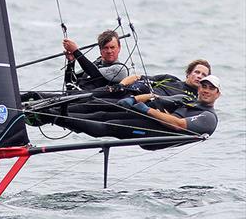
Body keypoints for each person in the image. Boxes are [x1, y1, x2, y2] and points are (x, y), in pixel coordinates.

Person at [52, 74, 221, 142]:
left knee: (110, 126)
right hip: (151, 121)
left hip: (159, 133)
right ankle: (48, 113)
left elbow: (178, 124)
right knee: (102, 114)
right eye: (203, 86)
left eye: (210, 88)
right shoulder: (188, 100)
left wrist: (145, 109)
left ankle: (53, 117)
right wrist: (133, 99)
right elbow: (159, 98)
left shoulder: (208, 116)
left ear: (217, 94)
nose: (206, 90)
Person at [62, 29, 130, 90]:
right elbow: (70, 84)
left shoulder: (121, 70)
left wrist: (76, 51)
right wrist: (71, 61)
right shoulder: (96, 64)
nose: (109, 51)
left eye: (112, 47)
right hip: (75, 99)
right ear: (100, 49)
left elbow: (95, 74)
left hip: (99, 102)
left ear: (119, 48)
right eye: (105, 48)